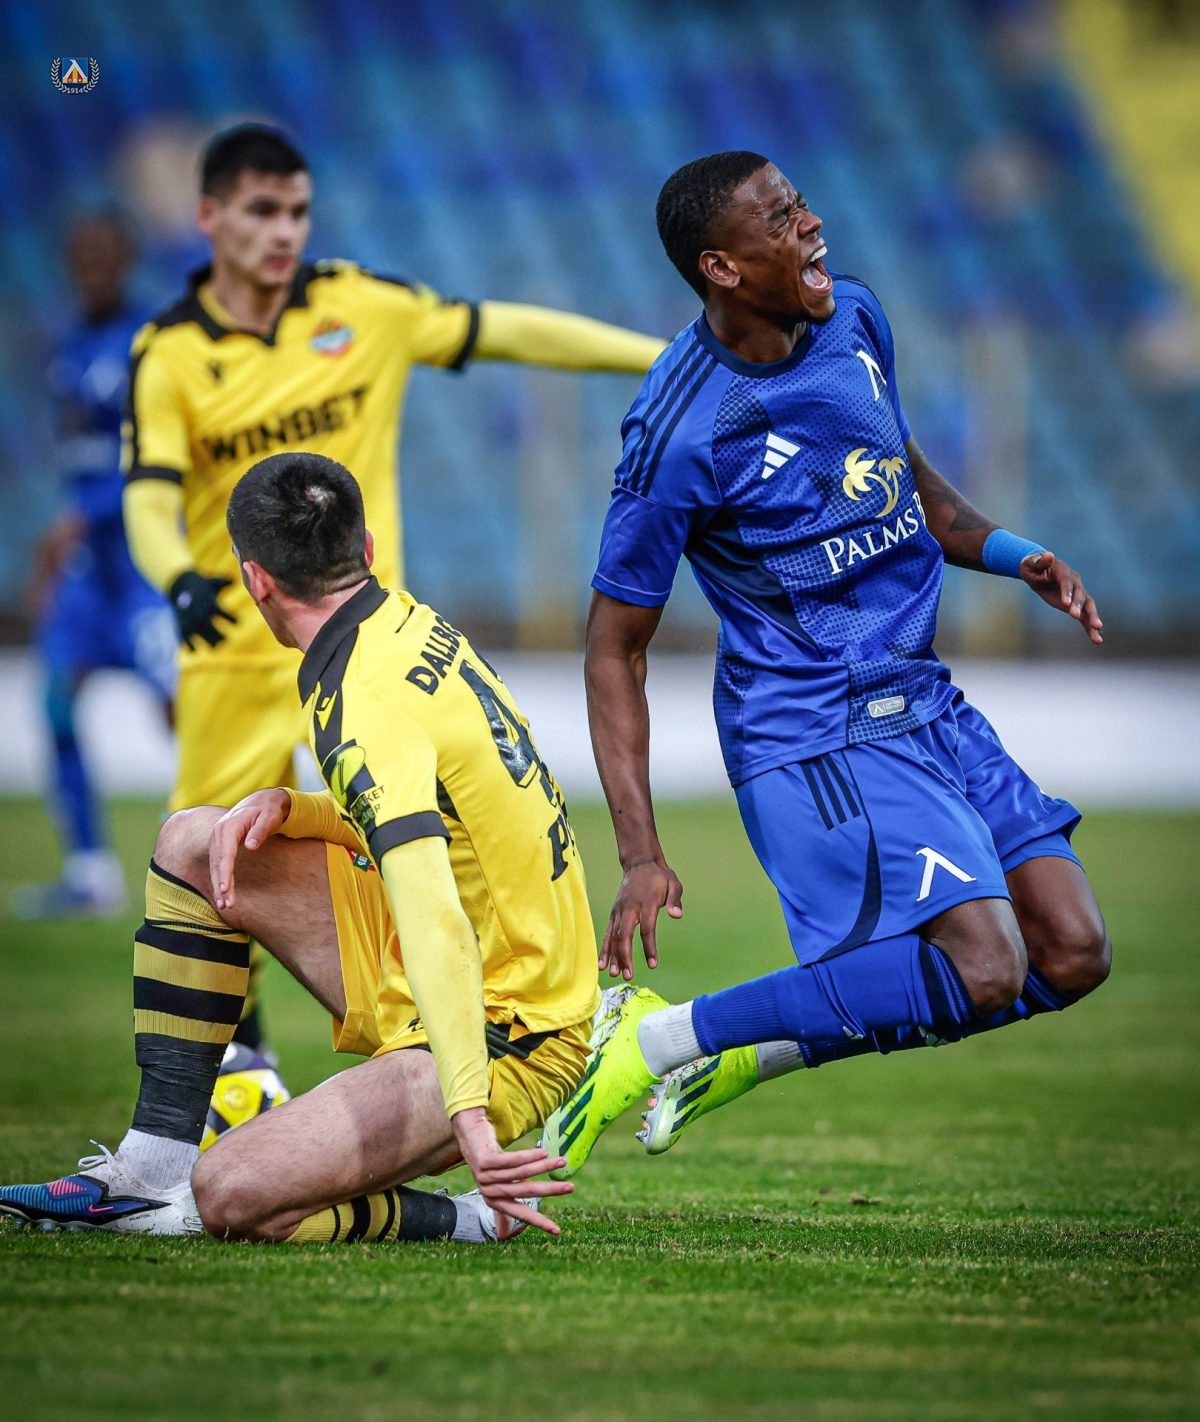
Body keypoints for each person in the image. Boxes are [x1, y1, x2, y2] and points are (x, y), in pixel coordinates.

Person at [540, 151, 1111, 1175]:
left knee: (1071, 952)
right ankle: (656, 1040)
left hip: (924, 700)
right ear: (721, 266)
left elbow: (909, 483)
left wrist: (1013, 553)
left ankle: (753, 1052)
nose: (812, 225)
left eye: (801, 205)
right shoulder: (679, 429)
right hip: (815, 729)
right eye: (781, 218)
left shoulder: (856, 318)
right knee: (985, 966)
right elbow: (613, 648)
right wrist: (639, 856)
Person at [123, 122, 663, 1054]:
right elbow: (147, 495)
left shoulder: (362, 307)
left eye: (298, 211)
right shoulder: (168, 352)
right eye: (261, 211)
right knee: (212, 865)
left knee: (409, 856)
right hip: (233, 645)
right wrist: (176, 578)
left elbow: (506, 330)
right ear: (209, 216)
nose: (284, 231)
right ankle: (241, 1066)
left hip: (367, 654)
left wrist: (665, 358)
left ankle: (465, 1033)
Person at [0, 452, 598, 1243]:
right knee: (194, 839)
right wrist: (300, 808)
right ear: (366, 550)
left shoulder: (361, 701)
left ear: (256, 582)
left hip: (509, 1032)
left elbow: (436, 918)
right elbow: (440, 813)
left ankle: (465, 1219)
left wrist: (470, 1116)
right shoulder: (398, 622)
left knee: (229, 1194)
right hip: (473, 965)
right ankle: (147, 1167)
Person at [14, 213, 175, 920]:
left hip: (142, 567)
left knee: (187, 713)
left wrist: (82, 518)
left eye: (104, 256)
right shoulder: (68, 349)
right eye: (81, 258)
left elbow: (156, 460)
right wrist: (62, 548)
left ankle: (232, 856)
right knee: (54, 697)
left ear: (127, 260)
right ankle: (89, 870)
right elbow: (80, 463)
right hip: (89, 573)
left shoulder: (150, 344)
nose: (93, 270)